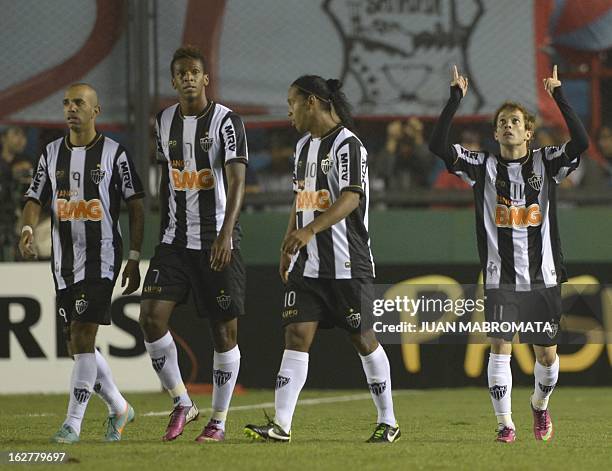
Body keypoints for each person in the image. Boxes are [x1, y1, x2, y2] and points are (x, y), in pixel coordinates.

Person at [429, 65, 589, 443]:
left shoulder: (546, 163)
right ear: (496, 131)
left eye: (515, 121)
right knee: (500, 347)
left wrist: (559, 97)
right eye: (502, 122)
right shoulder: (481, 166)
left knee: (546, 357)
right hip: (500, 277)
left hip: (543, 277)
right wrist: (454, 100)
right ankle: (505, 425)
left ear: (528, 132)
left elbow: (580, 142)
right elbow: (437, 146)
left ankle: (539, 405)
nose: (507, 126)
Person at [244, 75, 400, 443]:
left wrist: (310, 230)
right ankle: (281, 425)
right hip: (308, 265)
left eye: (292, 102)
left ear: (312, 101)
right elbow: (301, 200)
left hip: (348, 263)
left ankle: (388, 420)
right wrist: (289, 242)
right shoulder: (301, 148)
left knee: (363, 338)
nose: (289, 111)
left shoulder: (349, 145)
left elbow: (351, 198)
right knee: (296, 335)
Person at [19, 83, 145, 443]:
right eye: (66, 103)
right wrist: (28, 227)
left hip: (102, 257)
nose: (71, 108)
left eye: (79, 103)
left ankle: (72, 424)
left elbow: (136, 203)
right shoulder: (50, 153)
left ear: (96, 111)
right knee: (77, 344)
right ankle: (120, 407)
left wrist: (134, 256)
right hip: (64, 262)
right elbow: (34, 197)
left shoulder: (114, 155)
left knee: (82, 335)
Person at [139, 46, 247, 442]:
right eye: (180, 73)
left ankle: (218, 420)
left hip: (218, 240)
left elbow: (237, 181)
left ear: (206, 79)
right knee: (150, 318)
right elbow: (169, 178)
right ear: (173, 80)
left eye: (194, 72)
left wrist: (226, 233)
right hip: (174, 241)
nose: (187, 78)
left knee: (223, 333)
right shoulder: (163, 121)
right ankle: (182, 401)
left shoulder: (226, 122)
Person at [0, 126, 33, 260]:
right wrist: (10, 174)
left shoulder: (27, 162)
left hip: (19, 216)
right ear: (3, 138)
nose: (21, 140)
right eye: (16, 134)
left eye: (24, 136)